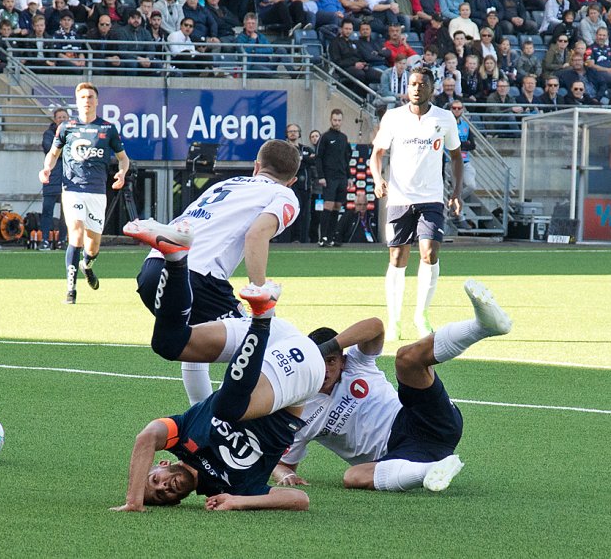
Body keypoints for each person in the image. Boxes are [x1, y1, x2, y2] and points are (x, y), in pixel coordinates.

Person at [109, 268, 319, 511]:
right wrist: (237, 501)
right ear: (176, 501)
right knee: (227, 408)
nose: (163, 487)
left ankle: (176, 259)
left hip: (274, 333)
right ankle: (262, 315)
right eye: (161, 496)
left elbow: (147, 437)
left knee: (168, 343)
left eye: (155, 480)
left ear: (162, 463)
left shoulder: (181, 434)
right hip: (302, 368)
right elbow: (299, 499)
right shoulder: (230, 489)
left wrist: (133, 502)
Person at [273, 279, 512, 492]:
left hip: (424, 420)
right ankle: (431, 471)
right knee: (352, 476)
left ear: (342, 361)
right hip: (400, 458)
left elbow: (375, 326)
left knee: (406, 358)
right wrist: (286, 474)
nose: (324, 369)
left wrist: (326, 347)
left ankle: (483, 327)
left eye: (331, 361)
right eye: (318, 363)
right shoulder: (299, 410)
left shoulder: (357, 363)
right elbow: (283, 462)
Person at [127, 139, 301, 406]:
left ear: (256, 166)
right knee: (265, 341)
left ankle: (201, 422)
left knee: (193, 343)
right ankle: (244, 422)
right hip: (198, 278)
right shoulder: (284, 195)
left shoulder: (224, 185)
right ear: (292, 180)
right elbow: (257, 235)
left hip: (152, 269)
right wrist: (260, 296)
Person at [370, 66, 463, 340]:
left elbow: (456, 157)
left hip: (431, 198)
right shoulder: (394, 117)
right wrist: (377, 179)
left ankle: (421, 316)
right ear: (406, 87)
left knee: (429, 253)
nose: (416, 88)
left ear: (431, 88)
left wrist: (455, 192)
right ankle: (394, 321)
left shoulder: (444, 118)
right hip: (400, 198)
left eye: (422, 84)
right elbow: (377, 154)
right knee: (397, 257)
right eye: (412, 83)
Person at [37, 82, 130, 304]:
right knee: (76, 232)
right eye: (83, 97)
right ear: (77, 102)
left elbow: (123, 158)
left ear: (96, 101)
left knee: (93, 244)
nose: (87, 101)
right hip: (72, 188)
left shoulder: (107, 129)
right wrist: (46, 168)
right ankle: (71, 288)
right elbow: (53, 153)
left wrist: (122, 173)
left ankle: (86, 265)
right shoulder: (66, 127)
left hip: (97, 191)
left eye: (90, 97)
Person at [314, 108, 351, 247]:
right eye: (335, 120)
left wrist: (350, 177)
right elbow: (318, 158)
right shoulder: (325, 137)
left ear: (342, 121)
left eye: (339, 120)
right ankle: (322, 237)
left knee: (337, 207)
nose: (337, 123)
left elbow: (346, 159)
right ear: (331, 120)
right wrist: (321, 176)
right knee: (328, 206)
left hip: (342, 177)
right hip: (329, 177)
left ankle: (331, 237)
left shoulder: (344, 138)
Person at [38, 106, 69, 250]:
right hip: (51, 178)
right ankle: (45, 239)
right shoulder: (48, 134)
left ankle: (62, 240)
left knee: (66, 213)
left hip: (68, 179)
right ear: (55, 120)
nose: (62, 120)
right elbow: (50, 149)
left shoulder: (73, 134)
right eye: (59, 117)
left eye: (64, 117)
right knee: (47, 210)